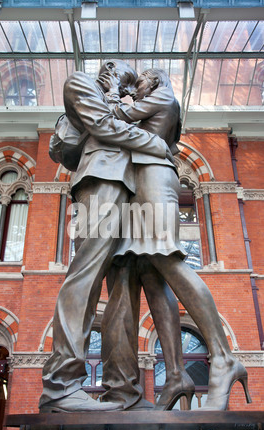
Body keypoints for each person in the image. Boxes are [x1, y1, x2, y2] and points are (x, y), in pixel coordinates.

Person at [100, 68, 251, 411]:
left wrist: (112, 91)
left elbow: (114, 119)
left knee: (168, 259)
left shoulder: (162, 96)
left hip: (154, 179)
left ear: (153, 80)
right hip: (142, 183)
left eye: (137, 83)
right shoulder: (153, 100)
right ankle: (175, 375)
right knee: (152, 275)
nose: (133, 90)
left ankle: (224, 358)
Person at [39, 60, 173, 413]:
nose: (127, 90)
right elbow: (102, 126)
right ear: (108, 71)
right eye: (123, 80)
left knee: (124, 292)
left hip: (131, 192)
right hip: (99, 182)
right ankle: (61, 385)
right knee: (85, 276)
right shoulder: (80, 83)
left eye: (131, 86)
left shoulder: (125, 103)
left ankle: (123, 391)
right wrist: (154, 143)